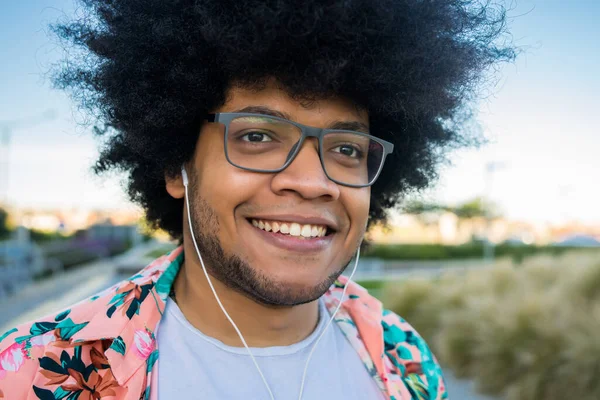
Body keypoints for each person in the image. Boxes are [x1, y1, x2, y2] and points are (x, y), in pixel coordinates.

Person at [0, 0, 513, 398]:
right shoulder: (34, 375)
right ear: (177, 164)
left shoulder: (405, 358)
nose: (314, 183)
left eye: (346, 148)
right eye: (257, 137)